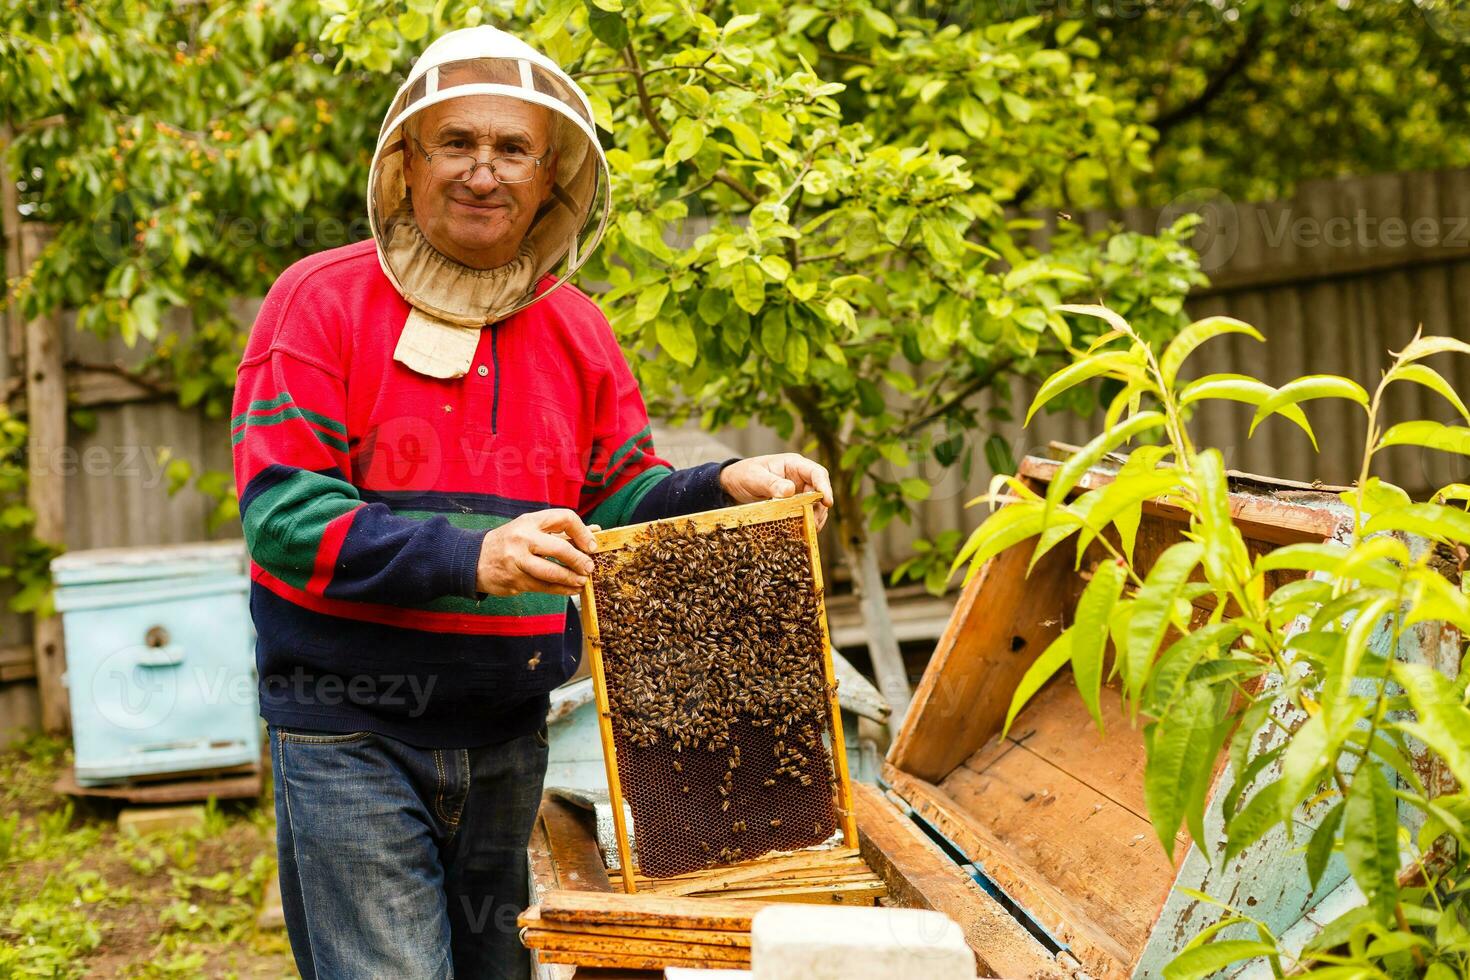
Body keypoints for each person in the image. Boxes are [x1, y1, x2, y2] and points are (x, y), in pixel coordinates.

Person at [230, 25, 833, 980]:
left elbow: (619, 499)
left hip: (510, 730)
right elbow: (284, 516)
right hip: (352, 733)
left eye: (512, 148)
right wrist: (476, 557)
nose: (483, 172)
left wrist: (725, 484)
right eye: (456, 143)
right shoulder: (317, 302)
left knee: (498, 971)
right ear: (406, 161)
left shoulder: (576, 329)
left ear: (552, 176)